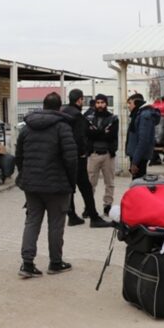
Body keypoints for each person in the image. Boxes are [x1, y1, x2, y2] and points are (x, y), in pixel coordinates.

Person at [16, 92, 77, 277]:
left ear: (43, 106)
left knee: (32, 221)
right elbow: (71, 159)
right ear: (59, 107)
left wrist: (25, 176)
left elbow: (19, 156)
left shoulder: (26, 128)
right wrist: (71, 182)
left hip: (32, 185)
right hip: (57, 186)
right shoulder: (62, 127)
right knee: (56, 224)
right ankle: (56, 263)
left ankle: (27, 264)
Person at [61, 89, 111, 228]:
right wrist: (83, 152)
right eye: (82, 100)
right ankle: (94, 217)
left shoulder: (63, 112)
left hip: (64, 157)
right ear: (79, 100)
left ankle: (72, 216)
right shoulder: (77, 116)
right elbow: (80, 136)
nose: (83, 103)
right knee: (86, 187)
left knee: (70, 187)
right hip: (77, 157)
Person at [85, 94, 119, 216]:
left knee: (109, 182)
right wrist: (102, 132)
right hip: (93, 154)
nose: (100, 105)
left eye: (102, 102)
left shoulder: (113, 118)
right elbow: (88, 134)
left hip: (108, 155)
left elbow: (111, 136)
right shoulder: (88, 118)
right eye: (98, 102)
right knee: (90, 183)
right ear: (95, 104)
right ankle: (88, 207)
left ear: (106, 103)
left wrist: (96, 132)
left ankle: (107, 206)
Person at [125, 93, 160, 179]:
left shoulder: (144, 116)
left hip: (139, 158)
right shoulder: (138, 114)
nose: (128, 106)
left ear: (136, 103)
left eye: (130, 103)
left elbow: (143, 140)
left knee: (138, 185)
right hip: (137, 156)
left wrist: (135, 162)